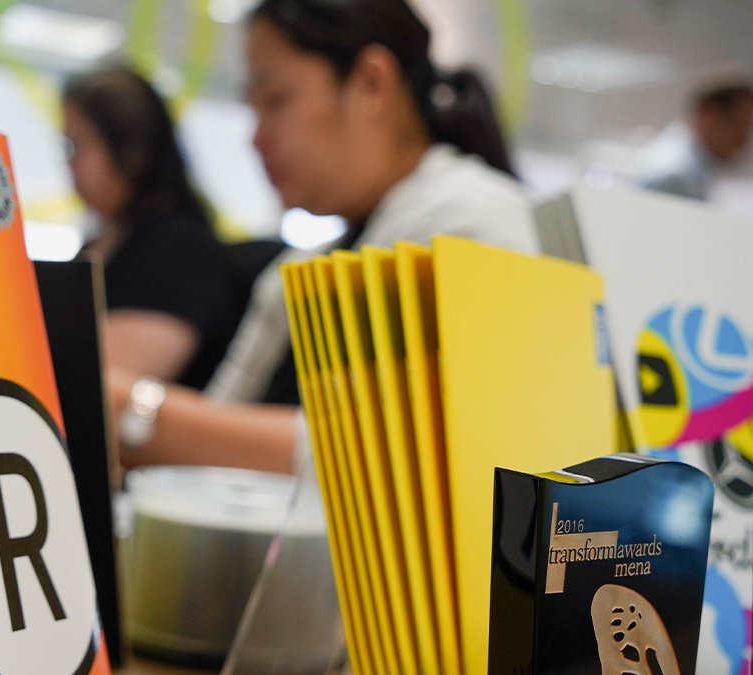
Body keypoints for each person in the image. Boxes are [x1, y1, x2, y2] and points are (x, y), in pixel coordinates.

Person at [110, 0, 538, 473]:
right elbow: (219, 433)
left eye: (275, 99)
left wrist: (135, 410)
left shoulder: (473, 222)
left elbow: (413, 458)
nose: (256, 138)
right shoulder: (299, 269)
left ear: (372, 83)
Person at [63, 67, 241, 391]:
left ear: (133, 152)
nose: (69, 165)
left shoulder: (178, 249)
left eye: (79, 146)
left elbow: (96, 386)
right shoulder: (104, 240)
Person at [635, 70, 753, 201]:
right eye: (740, 125)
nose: (745, 139)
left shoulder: (694, 168)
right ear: (711, 116)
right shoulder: (674, 176)